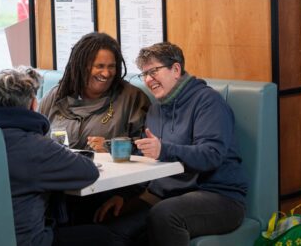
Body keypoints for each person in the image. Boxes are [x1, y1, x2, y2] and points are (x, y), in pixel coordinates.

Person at [94, 42, 248, 246]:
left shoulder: (208, 102)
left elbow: (211, 155)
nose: (148, 79)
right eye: (144, 74)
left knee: (165, 215)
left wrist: (164, 149)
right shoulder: (156, 110)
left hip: (219, 196)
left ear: (176, 69)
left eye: (154, 71)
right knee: (111, 227)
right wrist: (125, 195)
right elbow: (146, 159)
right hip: (166, 195)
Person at [0, 67, 111, 246]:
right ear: (34, 104)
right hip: (27, 241)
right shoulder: (35, 146)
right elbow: (88, 172)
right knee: (102, 235)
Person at [39, 32, 151, 152]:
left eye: (111, 66)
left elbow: (144, 150)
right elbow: (36, 141)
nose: (106, 73)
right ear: (80, 67)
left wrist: (110, 148)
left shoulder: (132, 98)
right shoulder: (56, 96)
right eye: (99, 66)